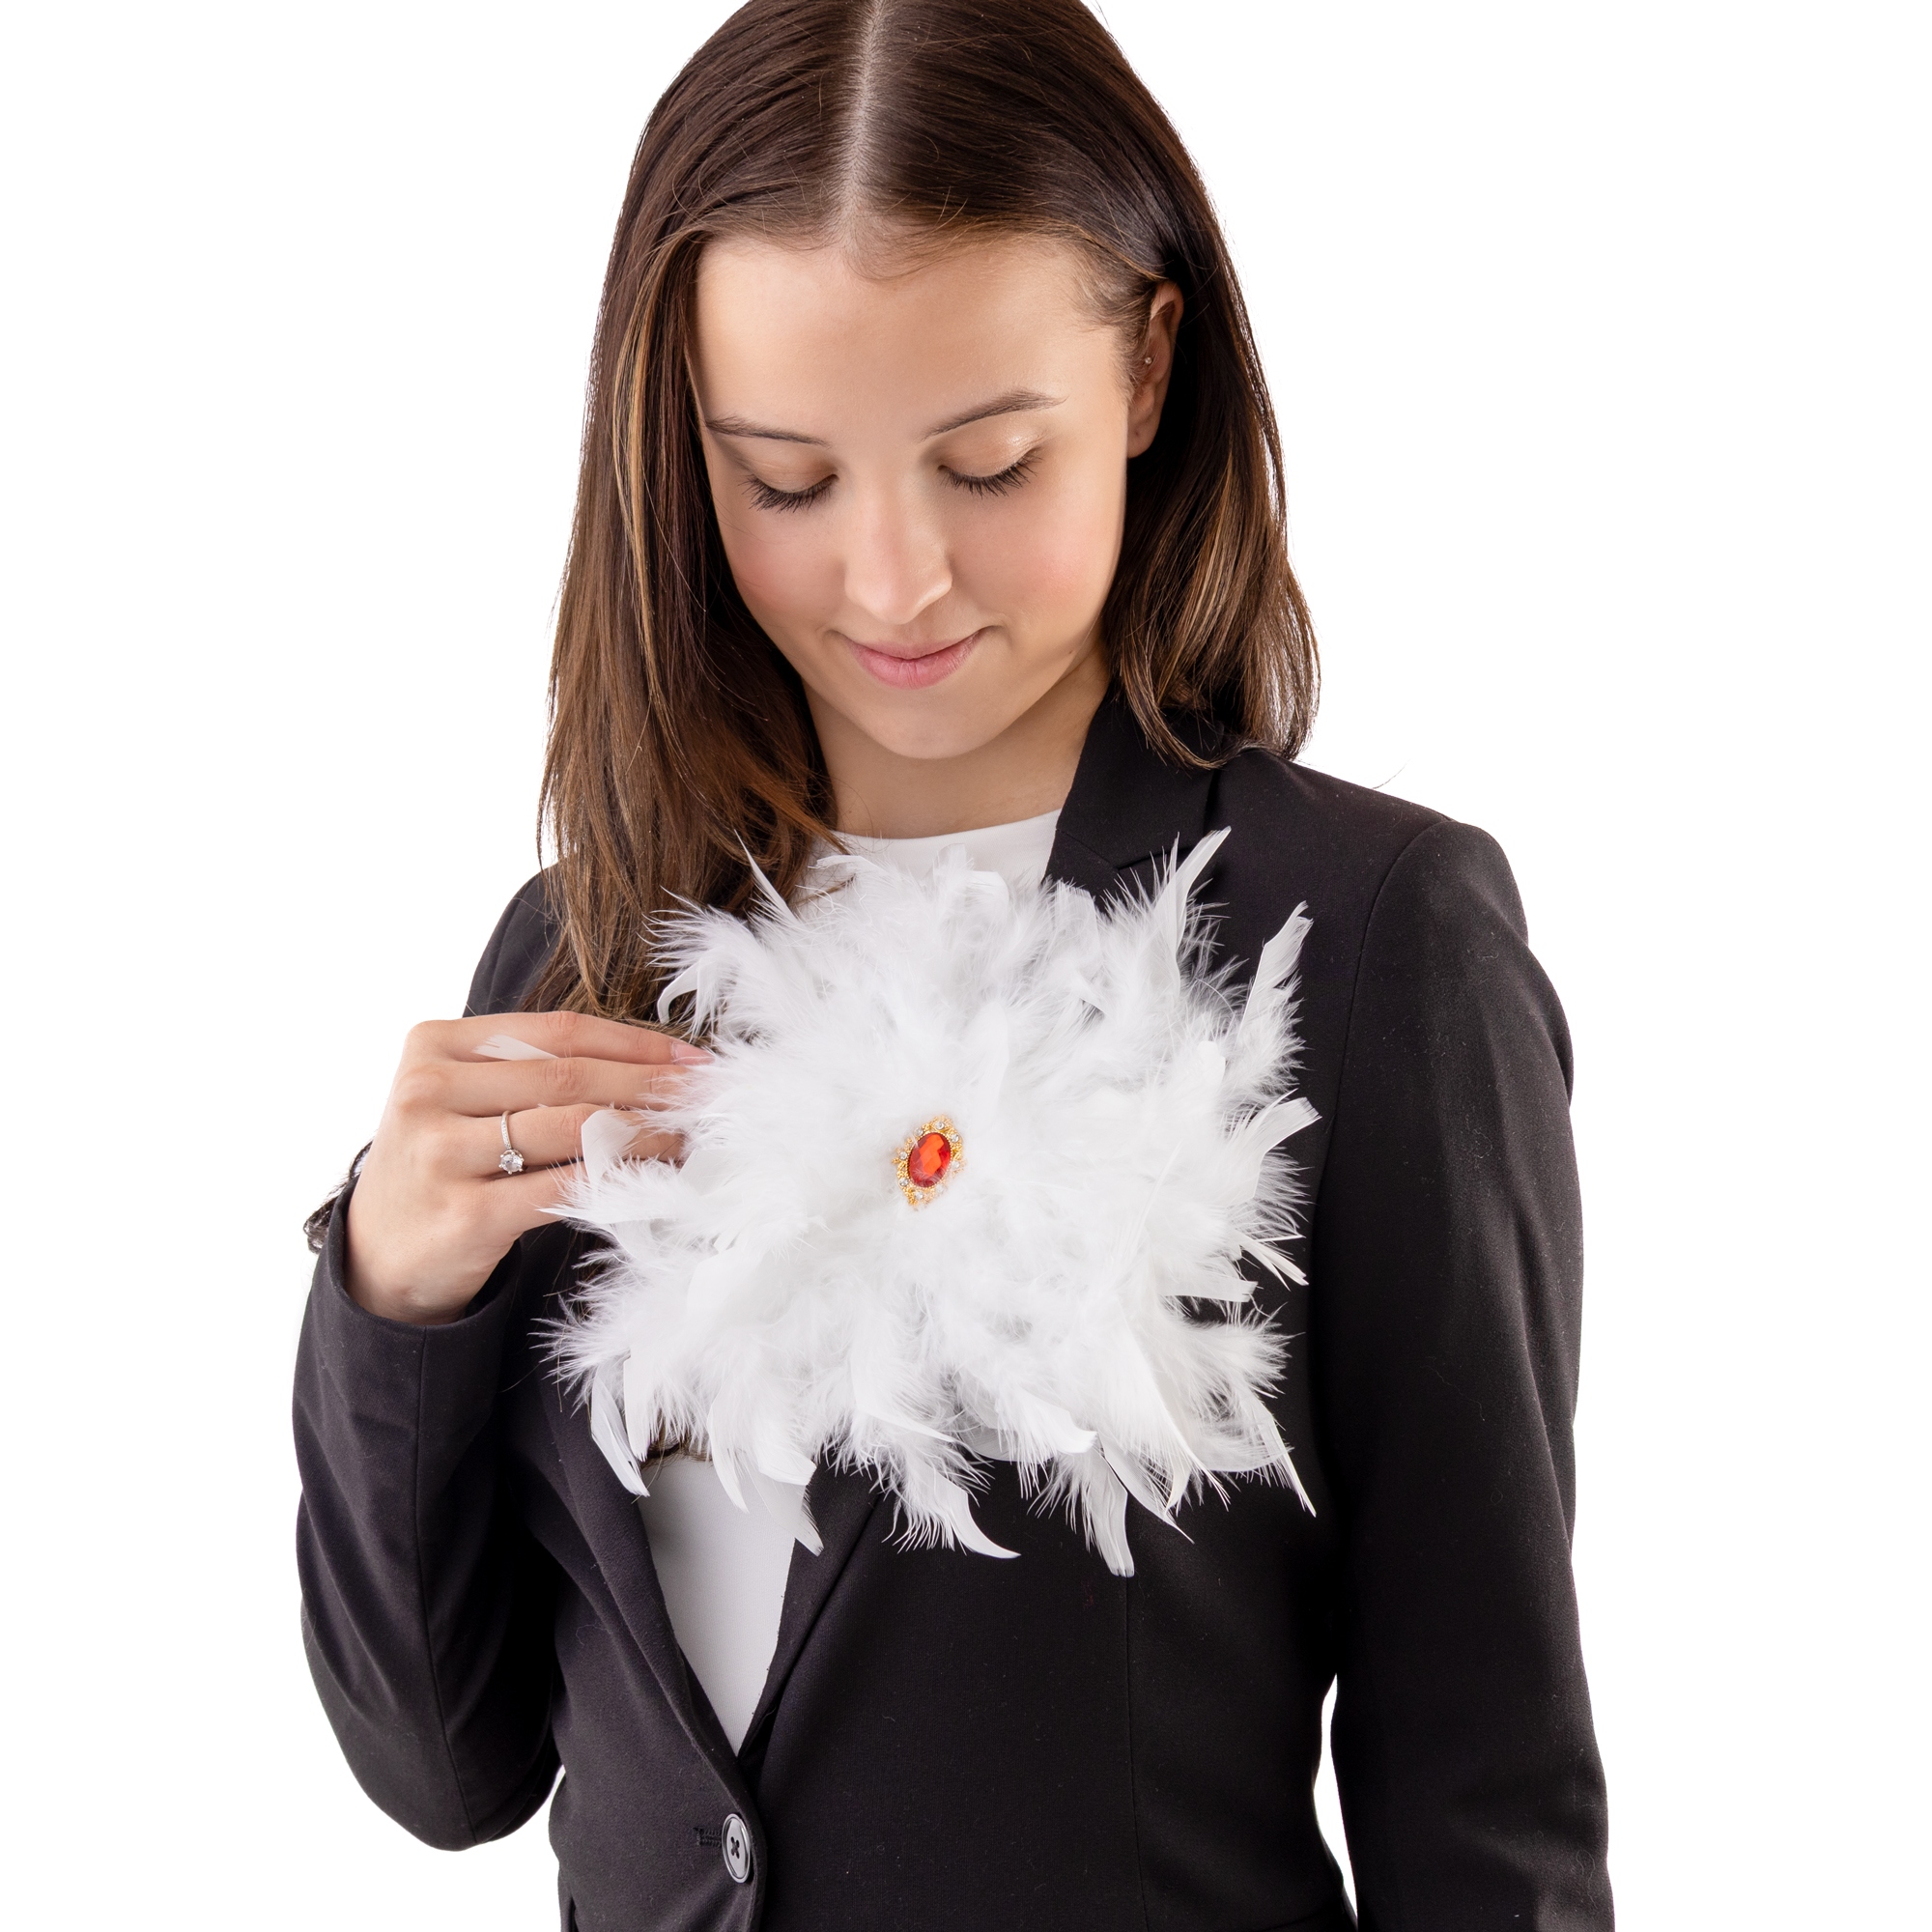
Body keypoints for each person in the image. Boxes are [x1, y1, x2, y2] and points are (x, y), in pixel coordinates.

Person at [293, 2, 1612, 1926]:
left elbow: (1486, 1797)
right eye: (785, 480)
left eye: (988, 463)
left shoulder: (1366, 941)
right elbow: (443, 1768)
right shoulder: (589, 947)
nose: (894, 579)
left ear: (1148, 368)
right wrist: (390, 1298)